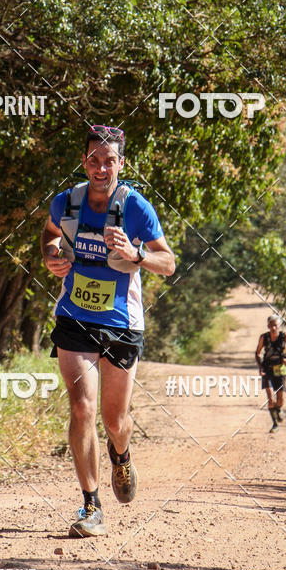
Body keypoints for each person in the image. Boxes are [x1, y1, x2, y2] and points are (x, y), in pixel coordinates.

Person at [41, 125, 175, 537]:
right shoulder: (66, 201)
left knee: (115, 421)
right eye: (94, 160)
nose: (101, 168)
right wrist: (50, 255)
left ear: (121, 163)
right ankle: (91, 505)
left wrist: (135, 253)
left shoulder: (136, 207)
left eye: (110, 161)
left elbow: (168, 263)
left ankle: (121, 454)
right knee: (82, 409)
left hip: (121, 323)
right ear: (84, 162)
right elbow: (50, 234)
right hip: (74, 317)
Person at [255, 315, 286, 432]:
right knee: (270, 398)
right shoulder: (264, 337)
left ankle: (279, 408)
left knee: (280, 399)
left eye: (275, 325)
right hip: (267, 368)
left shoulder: (284, 336)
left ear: (279, 325)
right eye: (271, 325)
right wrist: (260, 367)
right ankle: (275, 424)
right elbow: (257, 353)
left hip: (280, 367)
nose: (273, 328)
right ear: (268, 326)